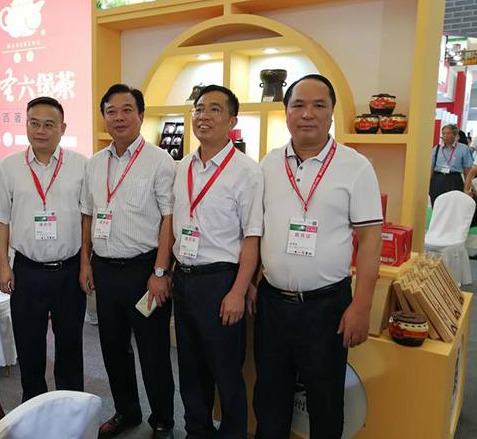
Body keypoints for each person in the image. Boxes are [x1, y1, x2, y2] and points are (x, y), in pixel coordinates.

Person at [253, 74, 383, 439]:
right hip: (272, 303)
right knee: (269, 395)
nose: (307, 114)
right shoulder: (268, 164)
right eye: (298, 105)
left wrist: (361, 306)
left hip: (327, 307)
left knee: (325, 399)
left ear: (331, 113)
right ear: (286, 112)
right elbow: (256, 230)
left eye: (318, 105)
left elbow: (370, 240)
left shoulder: (356, 166)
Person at [80, 84, 176, 439]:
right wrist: (86, 262)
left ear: (141, 115)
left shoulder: (160, 161)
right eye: (111, 111)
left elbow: (169, 219)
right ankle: (127, 411)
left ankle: (163, 420)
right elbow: (88, 215)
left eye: (126, 110)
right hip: (105, 269)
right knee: (112, 346)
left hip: (144, 270)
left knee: (153, 350)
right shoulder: (95, 163)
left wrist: (160, 271)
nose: (118, 118)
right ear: (103, 117)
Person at [171, 85, 262, 439]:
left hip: (220, 282)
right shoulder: (184, 165)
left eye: (214, 109)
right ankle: (197, 432)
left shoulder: (246, 172)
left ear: (232, 121)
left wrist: (238, 290)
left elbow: (252, 237)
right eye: (198, 109)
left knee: (226, 371)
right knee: (190, 367)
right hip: (184, 278)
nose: (203, 116)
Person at [0, 96, 87, 401]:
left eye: (49, 124)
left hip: (69, 270)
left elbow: (88, 218)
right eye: (34, 123)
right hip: (27, 270)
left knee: (70, 344)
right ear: (26, 125)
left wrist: (86, 264)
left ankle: (71, 406)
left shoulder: (80, 165)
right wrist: (3, 265)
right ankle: (34, 406)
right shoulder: (9, 166)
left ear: (62, 128)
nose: (40, 130)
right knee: (29, 344)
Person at [429, 124, 472, 207]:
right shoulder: (437, 148)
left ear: (455, 135)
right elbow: (431, 166)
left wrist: (467, 186)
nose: (445, 136)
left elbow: (467, 168)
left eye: (448, 133)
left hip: (454, 179)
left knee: (453, 205)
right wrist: (429, 183)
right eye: (444, 133)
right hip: (438, 178)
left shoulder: (463, 148)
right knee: (437, 204)